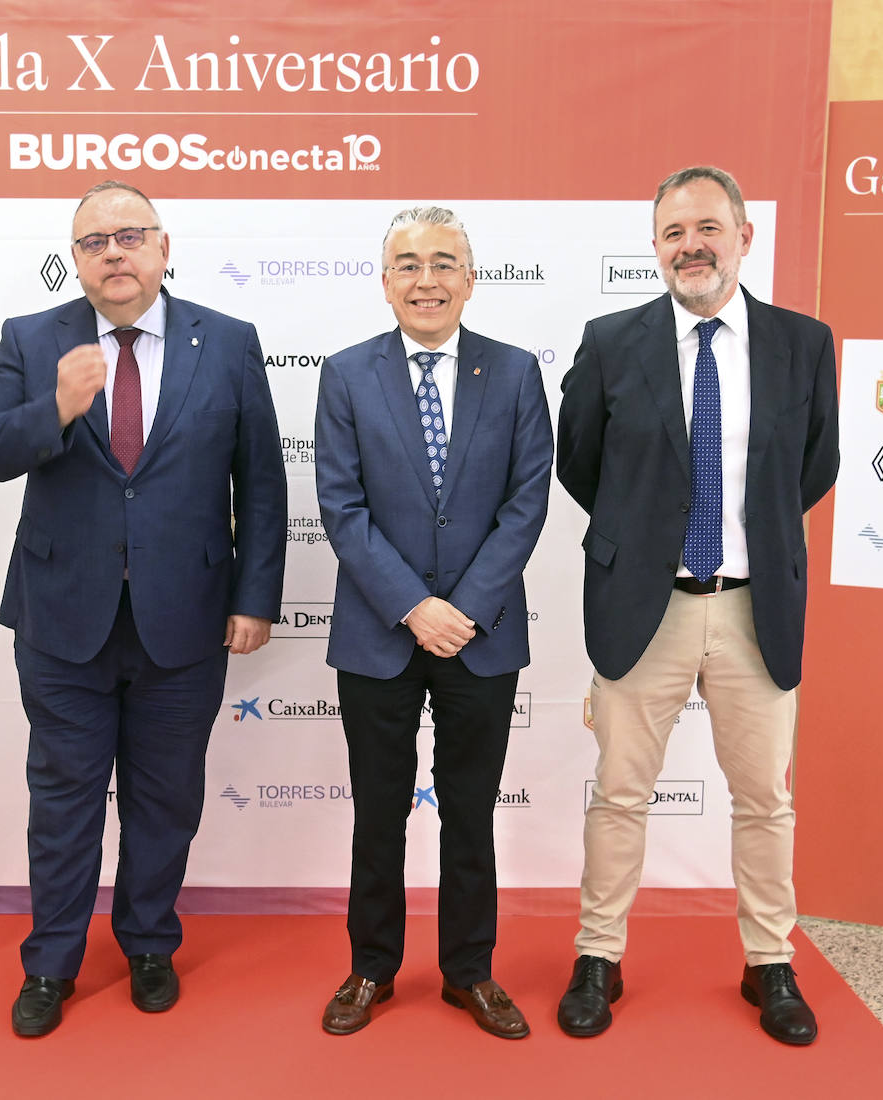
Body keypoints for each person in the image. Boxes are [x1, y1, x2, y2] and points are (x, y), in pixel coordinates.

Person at [0, 180, 287, 1037]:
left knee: (166, 798)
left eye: (130, 235)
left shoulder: (230, 340)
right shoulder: (33, 340)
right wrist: (56, 407)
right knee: (63, 799)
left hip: (187, 617)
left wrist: (255, 596)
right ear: (75, 259)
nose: (115, 252)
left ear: (163, 246)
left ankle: (148, 942)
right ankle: (52, 963)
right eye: (95, 240)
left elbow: (261, 481)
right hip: (63, 617)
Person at [555, 165, 839, 1045]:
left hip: (758, 610)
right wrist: (644, 539)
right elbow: (581, 465)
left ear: (745, 237)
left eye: (709, 228)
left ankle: (769, 963)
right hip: (650, 606)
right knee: (620, 794)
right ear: (655, 246)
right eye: (675, 232)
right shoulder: (611, 341)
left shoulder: (803, 342)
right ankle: (598, 955)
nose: (692, 246)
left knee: (765, 800)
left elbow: (815, 468)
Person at [314, 206, 553, 1038]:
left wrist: (464, 610)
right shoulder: (345, 375)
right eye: (408, 264)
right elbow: (341, 508)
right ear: (385, 283)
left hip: (481, 638)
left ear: (471, 279)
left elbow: (527, 504)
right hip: (380, 633)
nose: (427, 279)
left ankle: (470, 973)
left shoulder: (518, 373)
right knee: (378, 810)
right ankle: (370, 968)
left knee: (470, 809)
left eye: (444, 262)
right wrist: (415, 607)